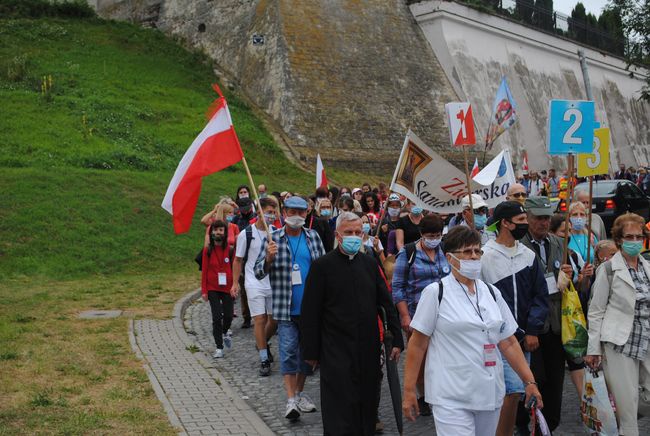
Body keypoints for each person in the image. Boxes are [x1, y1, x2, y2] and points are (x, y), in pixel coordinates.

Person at [402, 226, 543, 435]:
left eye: (478, 251)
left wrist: (529, 381)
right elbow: (418, 343)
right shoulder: (436, 293)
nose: (474, 256)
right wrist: (409, 390)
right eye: (467, 252)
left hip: (489, 393)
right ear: (450, 258)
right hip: (451, 395)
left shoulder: (492, 292)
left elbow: (509, 341)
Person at [300, 212, 403, 435]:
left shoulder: (369, 263)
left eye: (358, 232)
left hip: (367, 346)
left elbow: (385, 301)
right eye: (349, 233)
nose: (354, 237)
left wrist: (396, 337)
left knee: (367, 403)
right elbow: (310, 311)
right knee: (339, 405)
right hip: (335, 348)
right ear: (338, 234)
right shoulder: (321, 267)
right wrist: (310, 350)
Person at [518, 197, 587, 433]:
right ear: (527, 217)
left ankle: (547, 427)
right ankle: (522, 425)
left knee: (554, 390)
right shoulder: (518, 245)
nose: (544, 222)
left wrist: (571, 276)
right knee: (533, 383)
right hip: (530, 328)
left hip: (557, 326)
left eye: (547, 217)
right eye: (538, 217)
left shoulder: (559, 243)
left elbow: (570, 286)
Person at [480, 201, 549, 436]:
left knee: (514, 391)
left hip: (519, 339)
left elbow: (541, 295)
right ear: (506, 224)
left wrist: (532, 329)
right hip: (492, 337)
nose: (526, 225)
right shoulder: (484, 257)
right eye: (520, 221)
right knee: (501, 392)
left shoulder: (528, 256)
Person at [254, 196, 325, 421]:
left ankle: (300, 393)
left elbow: (325, 270)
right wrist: (267, 258)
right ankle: (291, 399)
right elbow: (258, 272)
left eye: (301, 212)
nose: (297, 216)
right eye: (292, 211)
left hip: (311, 310)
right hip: (285, 310)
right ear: (284, 212)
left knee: (307, 355)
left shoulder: (313, 237)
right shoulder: (273, 238)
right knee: (288, 353)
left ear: (307, 214)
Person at [585, 213, 650, 436]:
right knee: (628, 409)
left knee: (645, 397)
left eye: (638, 236)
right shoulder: (609, 269)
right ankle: (625, 422)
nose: (635, 241)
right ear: (619, 239)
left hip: (646, 340)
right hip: (618, 343)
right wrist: (593, 348)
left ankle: (623, 411)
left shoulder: (648, 267)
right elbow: (596, 311)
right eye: (629, 237)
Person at [392, 213, 450, 415]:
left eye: (438, 235)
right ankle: (423, 395)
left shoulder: (444, 250)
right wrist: (405, 316)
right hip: (417, 315)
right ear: (421, 234)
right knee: (421, 357)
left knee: (443, 356)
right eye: (430, 235)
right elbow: (398, 288)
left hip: (445, 315)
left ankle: (442, 392)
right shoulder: (408, 253)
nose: (434, 239)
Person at [232, 197, 278, 376]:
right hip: (253, 282)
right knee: (259, 320)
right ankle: (264, 358)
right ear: (259, 212)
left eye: (274, 212)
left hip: (272, 283)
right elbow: (238, 259)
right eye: (268, 212)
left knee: (274, 321)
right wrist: (235, 283)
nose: (272, 216)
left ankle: (262, 342)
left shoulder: (275, 232)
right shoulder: (246, 234)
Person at [201, 220, 234, 359]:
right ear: (211, 232)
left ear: (225, 232)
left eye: (220, 230)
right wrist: (204, 290)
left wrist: (235, 285)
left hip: (227, 287)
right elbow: (204, 271)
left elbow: (235, 268)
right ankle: (219, 347)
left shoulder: (231, 249)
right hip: (212, 287)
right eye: (215, 230)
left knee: (228, 315)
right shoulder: (207, 250)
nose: (217, 232)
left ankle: (225, 331)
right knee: (216, 317)